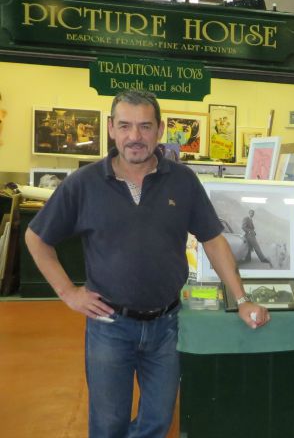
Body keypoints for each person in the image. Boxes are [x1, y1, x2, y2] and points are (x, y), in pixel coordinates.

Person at [24, 89, 270, 438]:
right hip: (109, 325)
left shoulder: (182, 181)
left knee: (157, 420)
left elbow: (213, 239)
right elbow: (36, 237)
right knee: (109, 424)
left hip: (165, 327)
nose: (134, 137)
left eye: (144, 126)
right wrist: (68, 293)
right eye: (125, 126)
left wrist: (242, 300)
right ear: (111, 128)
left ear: (160, 130)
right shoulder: (84, 183)